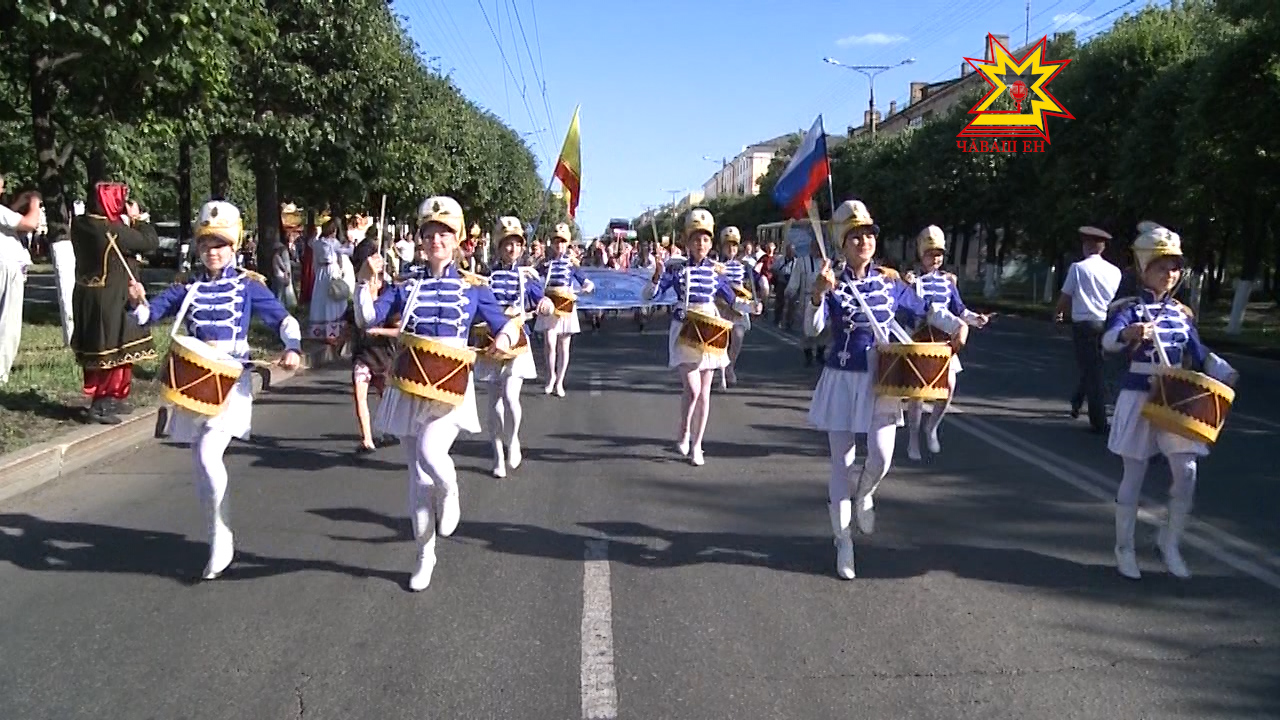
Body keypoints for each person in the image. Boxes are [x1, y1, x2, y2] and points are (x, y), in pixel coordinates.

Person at [126, 200, 301, 580]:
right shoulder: (186, 288)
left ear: (234, 245)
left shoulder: (248, 286)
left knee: (207, 454)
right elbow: (146, 317)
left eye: (220, 244)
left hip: (231, 381)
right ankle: (215, 532)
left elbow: (283, 319)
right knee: (198, 461)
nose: (213, 251)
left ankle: (221, 535)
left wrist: (293, 347)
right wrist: (136, 298)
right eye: (206, 244)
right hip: (192, 381)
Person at [353, 196, 521, 592]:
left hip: (450, 387)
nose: (436, 240)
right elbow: (367, 318)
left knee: (432, 455)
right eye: (429, 233)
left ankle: (452, 489)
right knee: (416, 479)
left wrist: (503, 337)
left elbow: (506, 324)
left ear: (458, 239)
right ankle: (424, 554)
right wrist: (364, 279)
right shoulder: (406, 287)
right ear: (420, 239)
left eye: (444, 233)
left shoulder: (474, 288)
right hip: (409, 385)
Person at [805, 201, 966, 580]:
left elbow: (926, 309)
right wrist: (816, 294)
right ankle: (843, 542)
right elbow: (812, 330)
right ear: (843, 245)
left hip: (885, 379)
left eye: (868, 235)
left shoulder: (891, 282)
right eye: (855, 236)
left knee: (880, 457)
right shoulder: (831, 283)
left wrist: (958, 322)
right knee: (841, 466)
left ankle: (866, 494)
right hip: (843, 378)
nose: (864, 241)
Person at [1102, 222, 1237, 581]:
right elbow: (1109, 341)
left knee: (1187, 471)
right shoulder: (1130, 308)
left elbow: (1198, 350)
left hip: (1176, 397)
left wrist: (1222, 370)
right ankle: (1124, 548)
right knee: (1134, 473)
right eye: (1162, 267)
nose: (1170, 274)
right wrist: (1128, 333)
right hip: (1138, 395)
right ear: (1145, 270)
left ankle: (1170, 542)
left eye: (1175, 267)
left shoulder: (1181, 313)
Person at [643, 209, 737, 467]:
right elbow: (651, 296)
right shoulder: (677, 271)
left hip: (709, 329)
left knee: (705, 393)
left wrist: (751, 306)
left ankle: (697, 445)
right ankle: (684, 428)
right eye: (696, 239)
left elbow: (731, 296)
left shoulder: (716, 272)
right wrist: (656, 275)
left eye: (706, 239)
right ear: (687, 241)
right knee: (692, 389)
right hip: (685, 331)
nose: (701, 244)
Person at [70, 182, 160, 424]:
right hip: (113, 297)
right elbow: (149, 242)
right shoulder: (112, 229)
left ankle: (113, 398)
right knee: (114, 346)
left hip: (86, 293)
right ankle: (102, 402)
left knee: (99, 346)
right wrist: (138, 219)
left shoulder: (79, 224)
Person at [901, 226, 991, 459]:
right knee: (917, 394)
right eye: (931, 253)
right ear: (922, 254)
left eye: (939, 254)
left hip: (944, 343)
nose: (935, 258)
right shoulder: (914, 281)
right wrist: (909, 288)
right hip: (920, 341)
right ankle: (912, 439)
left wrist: (975, 319)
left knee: (948, 388)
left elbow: (959, 310)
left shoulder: (948, 283)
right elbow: (907, 314)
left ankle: (931, 428)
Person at [476, 216, 554, 478]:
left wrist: (545, 304)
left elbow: (542, 299)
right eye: (507, 244)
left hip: (518, 340)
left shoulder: (527, 277)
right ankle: (497, 453)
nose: (512, 249)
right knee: (493, 402)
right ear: (498, 247)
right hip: (490, 340)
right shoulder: (486, 276)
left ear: (522, 248)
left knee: (511, 396)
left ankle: (514, 439)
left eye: (517, 244)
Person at [1054, 226, 1121, 433]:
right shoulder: (1115, 271)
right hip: (1106, 323)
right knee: (1093, 365)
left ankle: (1098, 421)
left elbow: (1066, 296)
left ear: (1088, 246)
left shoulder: (1078, 268)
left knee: (1092, 371)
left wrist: (1057, 315)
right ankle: (1077, 401)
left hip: (1084, 324)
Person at [347, 239, 400, 454]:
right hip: (363, 352)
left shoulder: (389, 291)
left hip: (383, 353)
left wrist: (380, 331)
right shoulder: (358, 290)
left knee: (385, 394)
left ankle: (390, 429)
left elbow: (399, 328)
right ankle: (367, 438)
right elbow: (353, 320)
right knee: (360, 394)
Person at [535, 223, 595, 397]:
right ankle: (550, 377)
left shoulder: (571, 264)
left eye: (562, 242)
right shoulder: (546, 263)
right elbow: (533, 276)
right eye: (556, 242)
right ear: (552, 244)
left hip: (566, 307)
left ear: (566, 243)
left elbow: (585, 281)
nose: (559, 245)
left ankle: (560, 381)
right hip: (549, 307)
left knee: (563, 346)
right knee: (549, 343)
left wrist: (587, 287)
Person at [0, 185, 40, 384]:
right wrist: (35, 202)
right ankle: (1, 372)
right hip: (6, 268)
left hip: (7, 266)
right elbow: (30, 223)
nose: (3, 189)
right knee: (8, 323)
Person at [716, 226, 760, 387]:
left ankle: (730, 367)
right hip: (721, 307)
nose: (731, 249)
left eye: (734, 245)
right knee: (720, 343)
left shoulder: (744, 266)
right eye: (728, 245)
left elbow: (756, 281)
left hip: (739, 308)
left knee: (738, 337)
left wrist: (758, 298)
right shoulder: (716, 266)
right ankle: (721, 374)